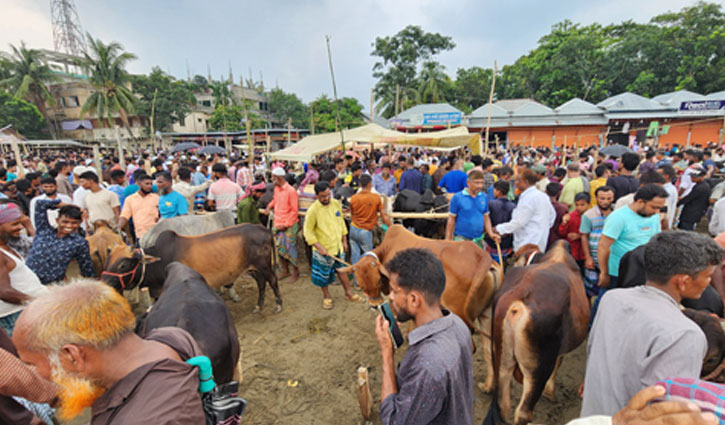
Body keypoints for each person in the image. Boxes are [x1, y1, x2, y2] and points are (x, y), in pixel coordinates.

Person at [12, 279, 206, 424]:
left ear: (72, 356)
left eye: (31, 364)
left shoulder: (144, 420)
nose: (31, 373)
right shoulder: (171, 338)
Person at [581, 231, 721, 416]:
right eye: (708, 276)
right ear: (684, 281)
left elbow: (593, 349)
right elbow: (667, 410)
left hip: (592, 414)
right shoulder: (685, 334)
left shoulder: (612, 298)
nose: (709, 282)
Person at [375, 248, 473, 425]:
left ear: (414, 299)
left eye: (395, 291)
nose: (390, 297)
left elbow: (394, 421)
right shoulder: (457, 323)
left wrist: (386, 354)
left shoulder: (427, 365)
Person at [303, 181, 363, 310]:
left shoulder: (335, 203)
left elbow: (341, 223)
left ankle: (348, 293)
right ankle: (326, 296)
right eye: (323, 196)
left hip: (338, 247)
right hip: (323, 249)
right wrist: (319, 247)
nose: (326, 198)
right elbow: (308, 232)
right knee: (323, 275)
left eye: (328, 195)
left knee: (342, 271)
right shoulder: (313, 210)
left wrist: (344, 240)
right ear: (317, 196)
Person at [597, 184, 667, 292]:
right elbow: (603, 246)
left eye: (659, 208)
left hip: (643, 271)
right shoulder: (618, 218)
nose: (657, 212)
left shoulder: (654, 216)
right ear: (640, 201)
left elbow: (655, 240)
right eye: (654, 207)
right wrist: (604, 273)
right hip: (618, 273)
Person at [0, 203, 46, 336]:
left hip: (21, 311)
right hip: (13, 315)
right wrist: (39, 300)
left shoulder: (7, 247)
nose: (20, 227)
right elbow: (4, 291)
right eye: (15, 224)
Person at [26, 199, 95, 285]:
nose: (69, 226)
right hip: (27, 280)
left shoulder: (79, 243)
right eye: (65, 222)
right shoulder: (43, 230)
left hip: (51, 286)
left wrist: (92, 285)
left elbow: (86, 267)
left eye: (74, 223)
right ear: (57, 220)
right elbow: (40, 204)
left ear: (80, 223)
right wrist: (72, 206)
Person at [495, 169, 556, 252]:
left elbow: (519, 222)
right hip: (539, 241)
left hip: (527, 243)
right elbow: (552, 216)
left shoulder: (529, 198)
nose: (516, 183)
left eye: (518, 181)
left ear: (526, 182)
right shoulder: (542, 196)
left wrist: (499, 229)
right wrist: (541, 228)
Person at [445, 170, 499, 248]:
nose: (480, 186)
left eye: (481, 183)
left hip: (478, 240)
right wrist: (448, 238)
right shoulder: (457, 198)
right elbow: (451, 219)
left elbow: (486, 217)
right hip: (462, 240)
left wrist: (491, 233)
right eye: (476, 183)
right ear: (468, 183)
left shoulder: (483, 197)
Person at [265, 167, 300, 282]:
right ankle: (285, 270)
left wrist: (287, 224)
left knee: (291, 248)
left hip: (289, 224)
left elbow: (294, 210)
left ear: (279, 178)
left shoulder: (291, 191)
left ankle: (295, 272)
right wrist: (269, 206)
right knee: (280, 248)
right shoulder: (276, 188)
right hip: (278, 221)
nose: (271, 179)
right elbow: (275, 201)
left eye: (273, 177)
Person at [349, 174, 391, 268]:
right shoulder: (375, 197)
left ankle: (357, 280)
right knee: (368, 257)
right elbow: (383, 214)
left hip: (353, 229)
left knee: (355, 256)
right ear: (370, 184)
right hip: (366, 231)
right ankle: (368, 280)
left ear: (360, 185)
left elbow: (352, 214)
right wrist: (391, 227)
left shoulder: (353, 198)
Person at [580, 186, 615, 297]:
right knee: (591, 288)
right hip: (594, 257)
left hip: (612, 258)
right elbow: (584, 236)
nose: (605, 201)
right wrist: (588, 257)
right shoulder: (588, 215)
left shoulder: (617, 214)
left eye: (609, 198)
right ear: (596, 198)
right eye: (602, 198)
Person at [118, 174, 159, 241]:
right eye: (147, 184)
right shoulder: (130, 199)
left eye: (151, 184)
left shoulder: (156, 198)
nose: (149, 186)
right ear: (139, 184)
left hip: (156, 234)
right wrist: (118, 228)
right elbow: (125, 216)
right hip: (140, 235)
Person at [484, 180, 515, 263]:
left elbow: (486, 220)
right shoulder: (513, 206)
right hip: (506, 242)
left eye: (494, 190)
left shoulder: (491, 204)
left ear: (499, 191)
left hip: (491, 240)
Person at [559, 192, 590, 272]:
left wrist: (579, 236)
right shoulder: (570, 217)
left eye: (582, 205)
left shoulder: (591, 217)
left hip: (586, 252)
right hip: (573, 252)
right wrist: (564, 224)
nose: (579, 207)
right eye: (577, 205)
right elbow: (562, 232)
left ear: (588, 204)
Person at [677, 165, 710, 231]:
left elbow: (689, 198)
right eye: (691, 176)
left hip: (691, 213)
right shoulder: (701, 185)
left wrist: (677, 203)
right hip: (694, 211)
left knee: (686, 230)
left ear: (702, 177)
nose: (692, 178)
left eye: (694, 177)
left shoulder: (700, 187)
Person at [547, 182, 570, 248]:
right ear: (559, 193)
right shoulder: (563, 208)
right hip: (557, 238)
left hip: (543, 236)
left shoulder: (542, 205)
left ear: (546, 192)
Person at [658, 164, 679, 230]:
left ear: (666, 176)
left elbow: (664, 210)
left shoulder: (668, 190)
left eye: (659, 174)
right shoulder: (667, 188)